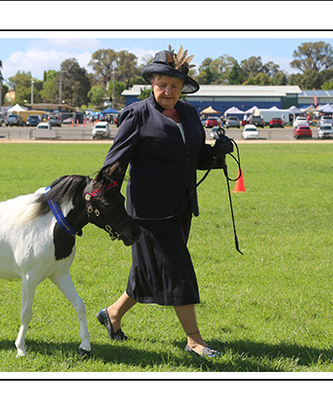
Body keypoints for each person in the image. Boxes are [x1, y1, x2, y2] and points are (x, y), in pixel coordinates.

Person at [96, 46, 233, 358]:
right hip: (149, 212)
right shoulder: (137, 115)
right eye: (162, 84)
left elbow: (195, 158)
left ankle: (112, 314)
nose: (168, 91)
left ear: (182, 88)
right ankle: (194, 341)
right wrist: (105, 195)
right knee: (177, 268)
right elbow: (115, 162)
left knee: (148, 271)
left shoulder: (188, 114)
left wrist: (216, 152)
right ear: (152, 85)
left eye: (174, 85)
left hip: (182, 206)